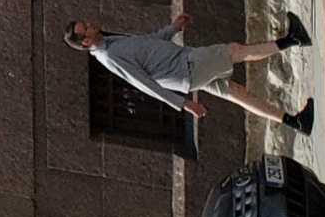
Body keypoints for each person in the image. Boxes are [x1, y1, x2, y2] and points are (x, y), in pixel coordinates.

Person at [67, 11, 312, 131]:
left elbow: (149, 45)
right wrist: (184, 104)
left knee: (236, 92)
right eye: (86, 28)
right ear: (86, 42)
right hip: (187, 67)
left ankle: (295, 122)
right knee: (235, 51)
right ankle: (293, 39)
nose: (90, 24)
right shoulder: (110, 56)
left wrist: (173, 28)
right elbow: (145, 85)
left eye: (85, 23)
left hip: (186, 68)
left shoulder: (110, 42)